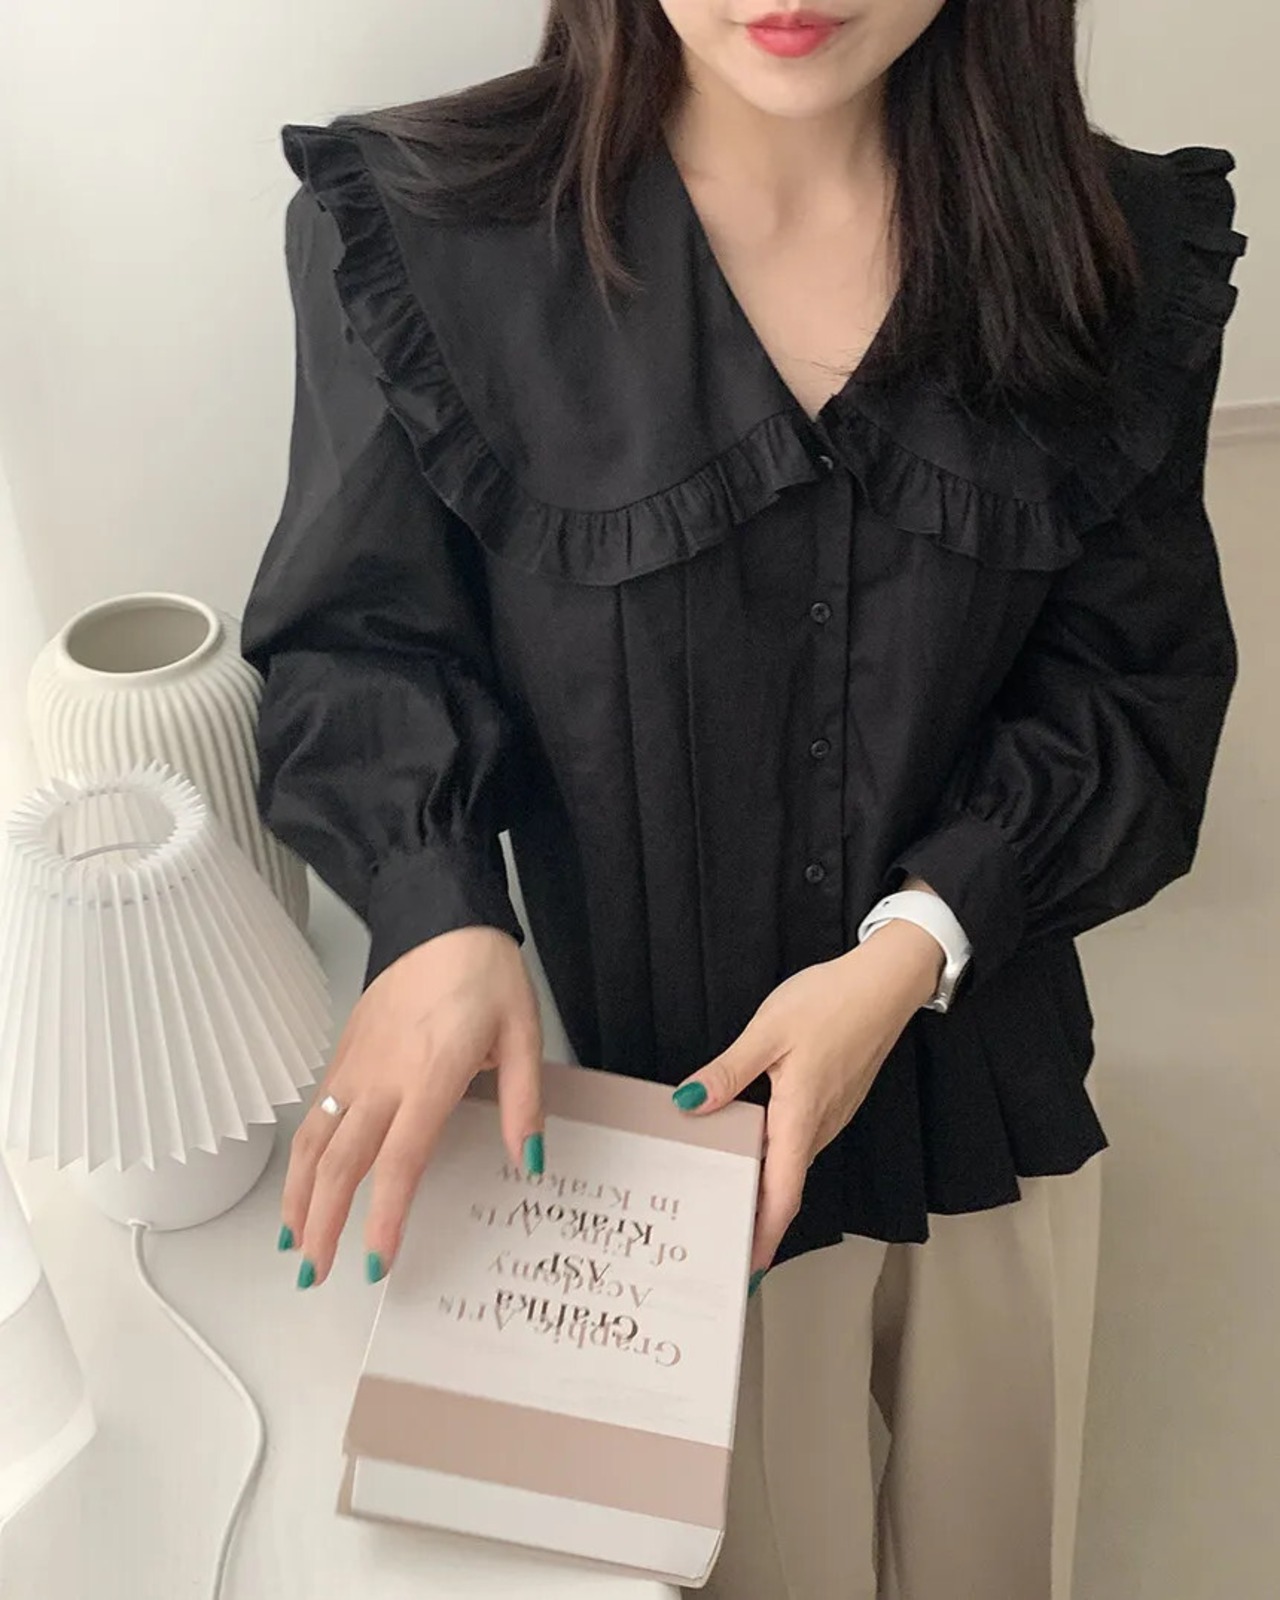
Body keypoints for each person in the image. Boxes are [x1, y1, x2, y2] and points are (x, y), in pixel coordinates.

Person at [242, 2, 1246, 1595]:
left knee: (998, 1550)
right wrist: (433, 913)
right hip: (641, 1166)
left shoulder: (1108, 245)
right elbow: (359, 642)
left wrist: (911, 947)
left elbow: (1134, 689)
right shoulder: (431, 231)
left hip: (984, 1100)